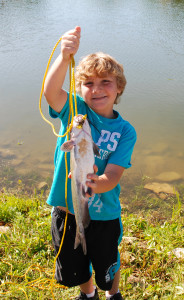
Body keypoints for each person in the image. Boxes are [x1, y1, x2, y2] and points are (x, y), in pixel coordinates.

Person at [44, 26, 137, 300]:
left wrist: (99, 183)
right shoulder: (75, 111)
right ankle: (88, 294)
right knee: (76, 260)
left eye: (105, 82)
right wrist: (64, 56)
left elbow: (115, 172)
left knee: (107, 258)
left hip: (105, 212)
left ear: (119, 87)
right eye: (88, 84)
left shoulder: (125, 131)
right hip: (67, 206)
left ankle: (112, 293)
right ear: (78, 89)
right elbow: (50, 92)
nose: (96, 90)